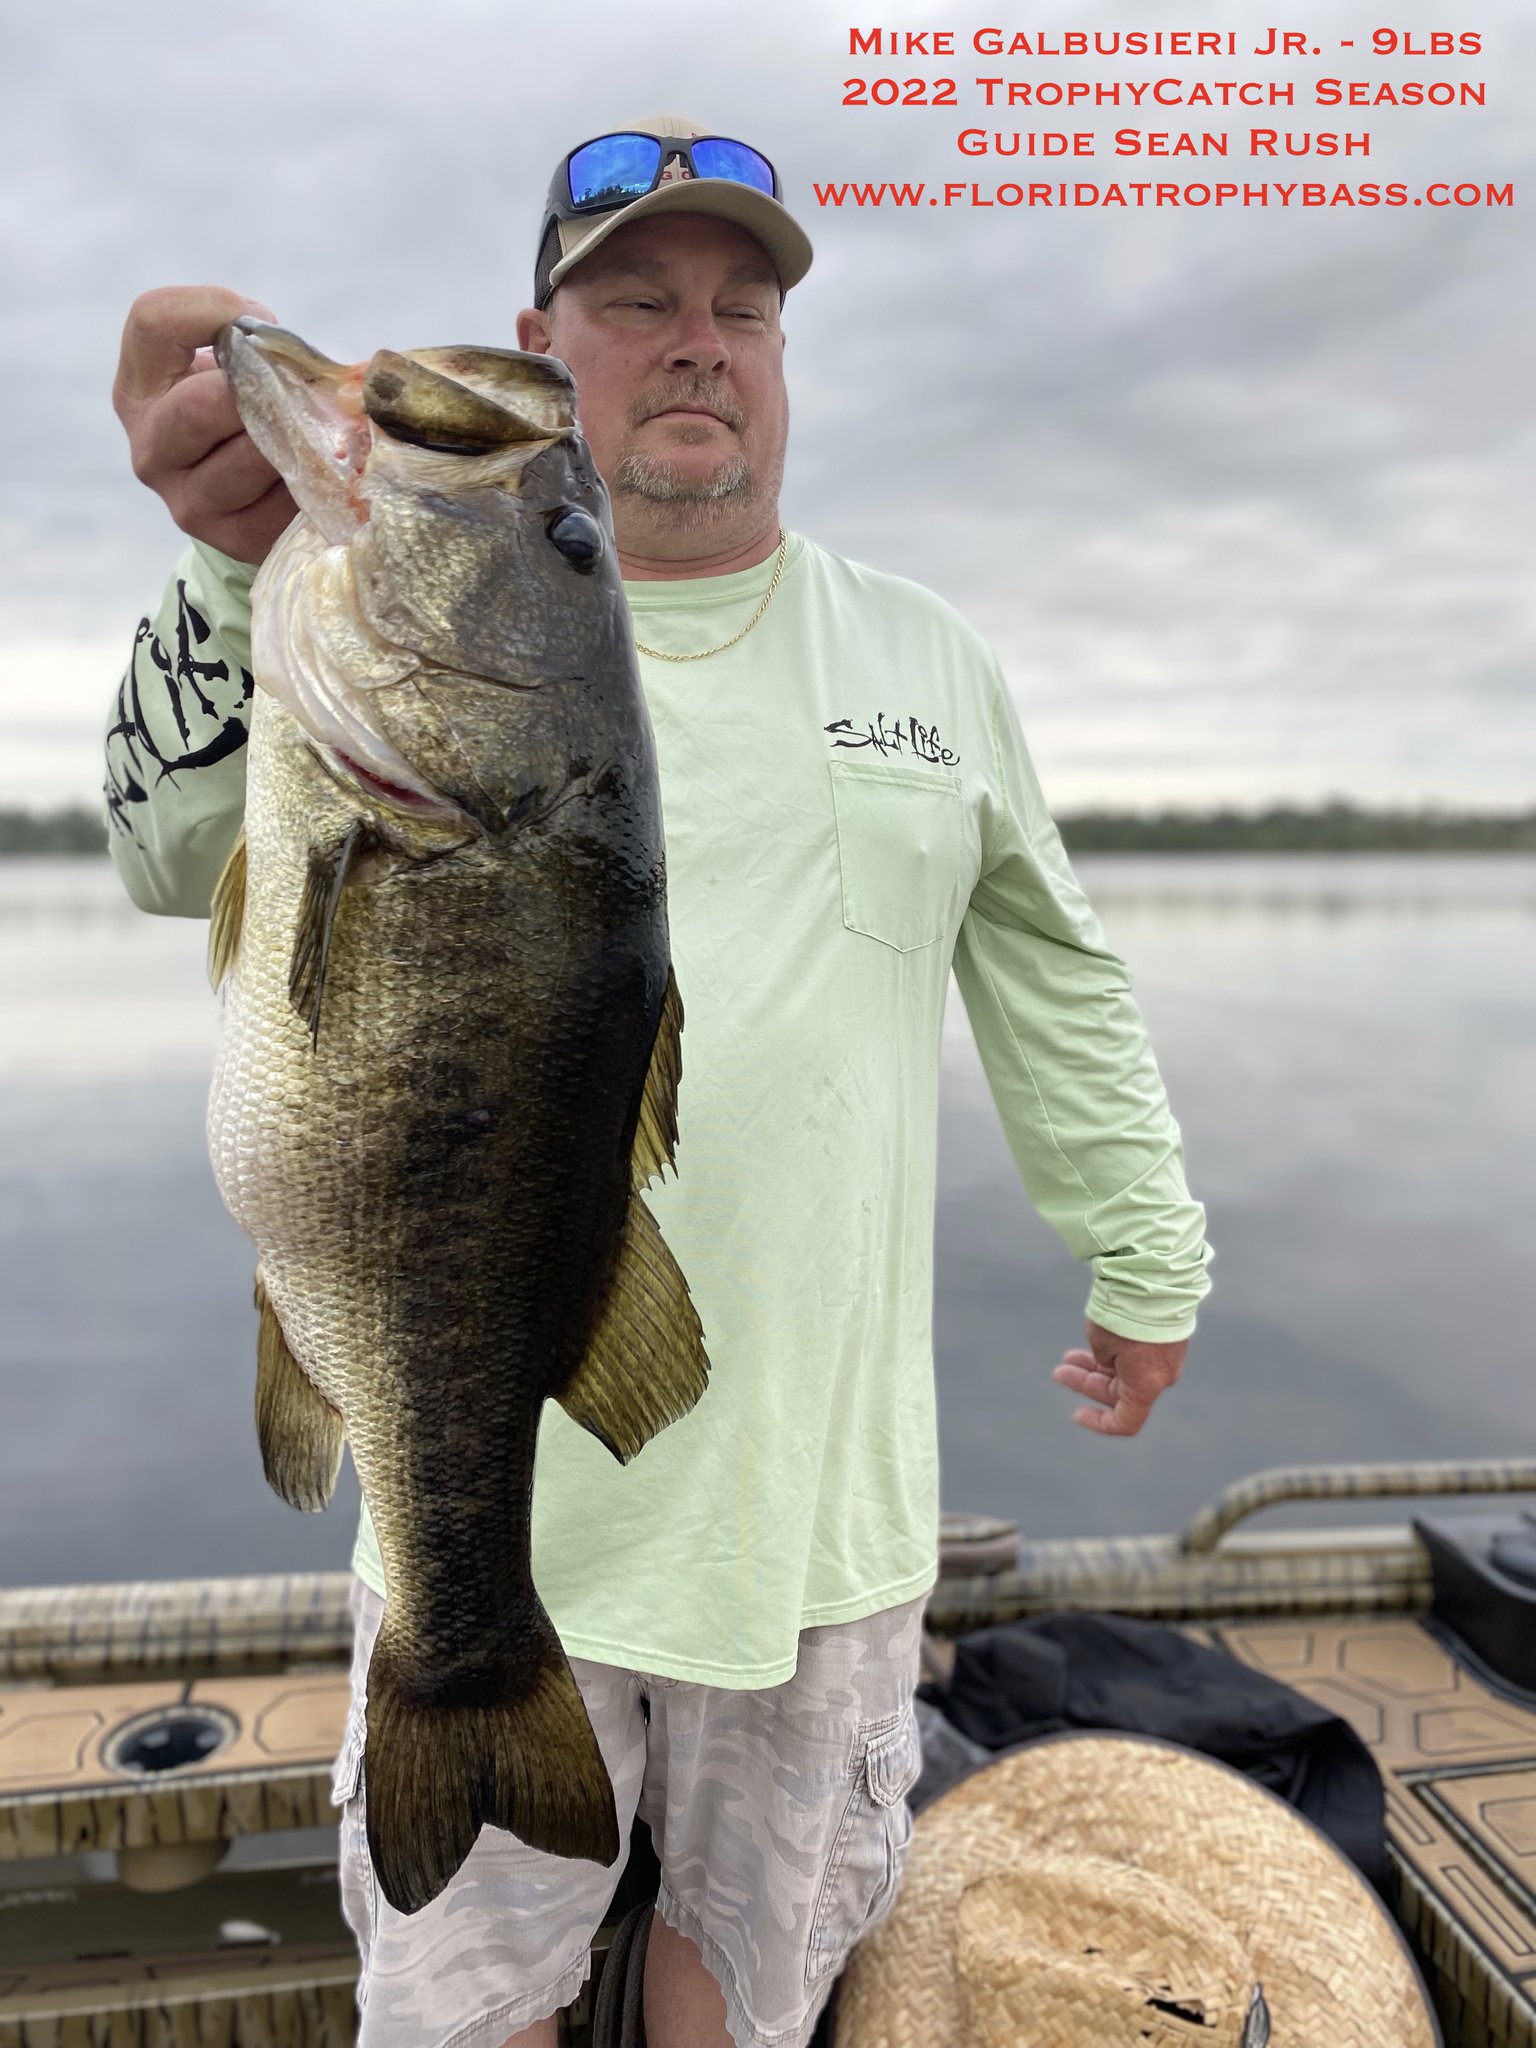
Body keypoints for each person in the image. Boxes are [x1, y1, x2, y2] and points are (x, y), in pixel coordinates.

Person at [105, 114, 1210, 2048]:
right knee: (468, 2011)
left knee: (744, 1995)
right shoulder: (333, 634)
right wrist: (221, 564)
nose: (699, 340)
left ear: (782, 364)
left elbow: (1056, 978)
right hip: (484, 1488)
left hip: (818, 1510)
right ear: (543, 342)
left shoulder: (928, 656)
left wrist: (1147, 1254)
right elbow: (156, 849)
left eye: (745, 310)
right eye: (639, 302)